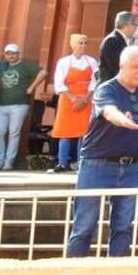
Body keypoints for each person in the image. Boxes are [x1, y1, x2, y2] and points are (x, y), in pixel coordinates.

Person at [67, 46, 138, 257]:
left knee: (123, 226)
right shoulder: (107, 89)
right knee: (84, 227)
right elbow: (109, 112)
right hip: (98, 165)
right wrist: (123, 120)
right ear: (121, 66)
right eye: (135, 67)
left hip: (132, 167)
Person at [0, 43, 45, 170]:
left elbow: (43, 72)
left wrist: (31, 87)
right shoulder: (1, 65)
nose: (11, 56)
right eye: (8, 53)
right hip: (2, 105)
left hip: (19, 105)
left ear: (18, 54)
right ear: (5, 54)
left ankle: (9, 162)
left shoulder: (25, 66)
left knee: (14, 133)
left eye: (13, 53)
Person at [50, 34, 99, 173]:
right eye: (80, 43)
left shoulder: (92, 62)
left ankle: (81, 162)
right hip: (67, 100)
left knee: (83, 132)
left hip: (86, 99)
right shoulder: (64, 62)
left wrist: (85, 98)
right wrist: (73, 99)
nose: (83, 45)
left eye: (85, 43)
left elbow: (95, 81)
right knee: (65, 132)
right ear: (73, 45)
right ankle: (62, 162)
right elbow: (59, 83)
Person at [97, 11, 136, 83]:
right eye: (134, 25)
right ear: (128, 25)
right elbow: (115, 66)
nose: (135, 28)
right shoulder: (112, 40)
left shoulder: (123, 40)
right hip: (109, 87)